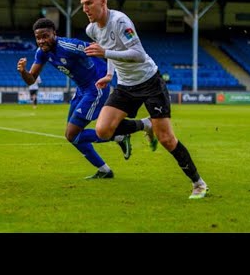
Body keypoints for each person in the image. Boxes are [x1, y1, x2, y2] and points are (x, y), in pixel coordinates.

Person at [79, 0, 208, 199]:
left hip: (149, 82)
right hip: (125, 85)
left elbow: (137, 53)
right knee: (103, 131)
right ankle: (145, 124)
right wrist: (110, 74)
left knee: (166, 139)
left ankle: (199, 183)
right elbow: (109, 50)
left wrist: (106, 54)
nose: (85, 9)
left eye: (89, 3)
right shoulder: (91, 29)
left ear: (103, 1)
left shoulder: (120, 21)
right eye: (83, 4)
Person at [17, 18, 154, 179]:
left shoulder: (70, 46)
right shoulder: (41, 53)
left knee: (72, 134)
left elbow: (104, 51)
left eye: (45, 36)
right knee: (72, 137)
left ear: (54, 33)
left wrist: (110, 74)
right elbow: (31, 79)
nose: (41, 41)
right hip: (82, 89)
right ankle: (104, 170)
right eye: (38, 38)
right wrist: (23, 71)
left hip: (96, 87)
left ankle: (126, 132)